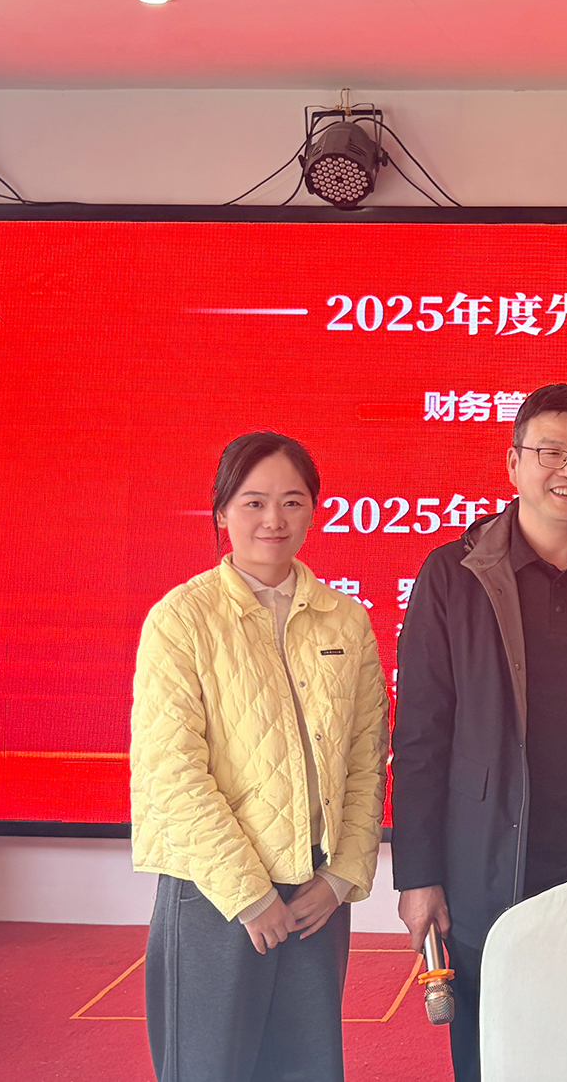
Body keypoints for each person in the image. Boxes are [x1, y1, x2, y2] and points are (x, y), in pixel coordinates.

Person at [391, 384, 567, 1082]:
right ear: (513, 463)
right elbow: (422, 734)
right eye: (550, 452)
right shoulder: (454, 574)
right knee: (496, 1051)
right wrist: (419, 874)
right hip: (489, 864)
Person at [131, 432, 389, 1082]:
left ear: (314, 510)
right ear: (222, 511)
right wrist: (248, 894)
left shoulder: (346, 620)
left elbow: (366, 758)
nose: (274, 519)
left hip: (315, 896)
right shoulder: (181, 619)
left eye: (292, 501)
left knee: (307, 1068)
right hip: (214, 895)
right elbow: (172, 771)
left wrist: (342, 876)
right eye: (253, 502)